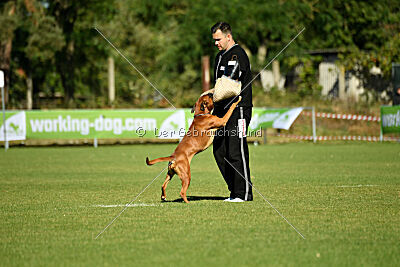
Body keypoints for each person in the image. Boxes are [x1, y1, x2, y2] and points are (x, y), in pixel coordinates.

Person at [210, 22, 253, 202]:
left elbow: (228, 86)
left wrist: (210, 97)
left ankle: (243, 194)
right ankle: (234, 190)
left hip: (239, 110)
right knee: (219, 150)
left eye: (218, 39)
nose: (216, 43)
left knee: (236, 151)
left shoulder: (238, 55)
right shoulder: (220, 56)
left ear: (228, 36)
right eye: (214, 40)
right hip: (221, 112)